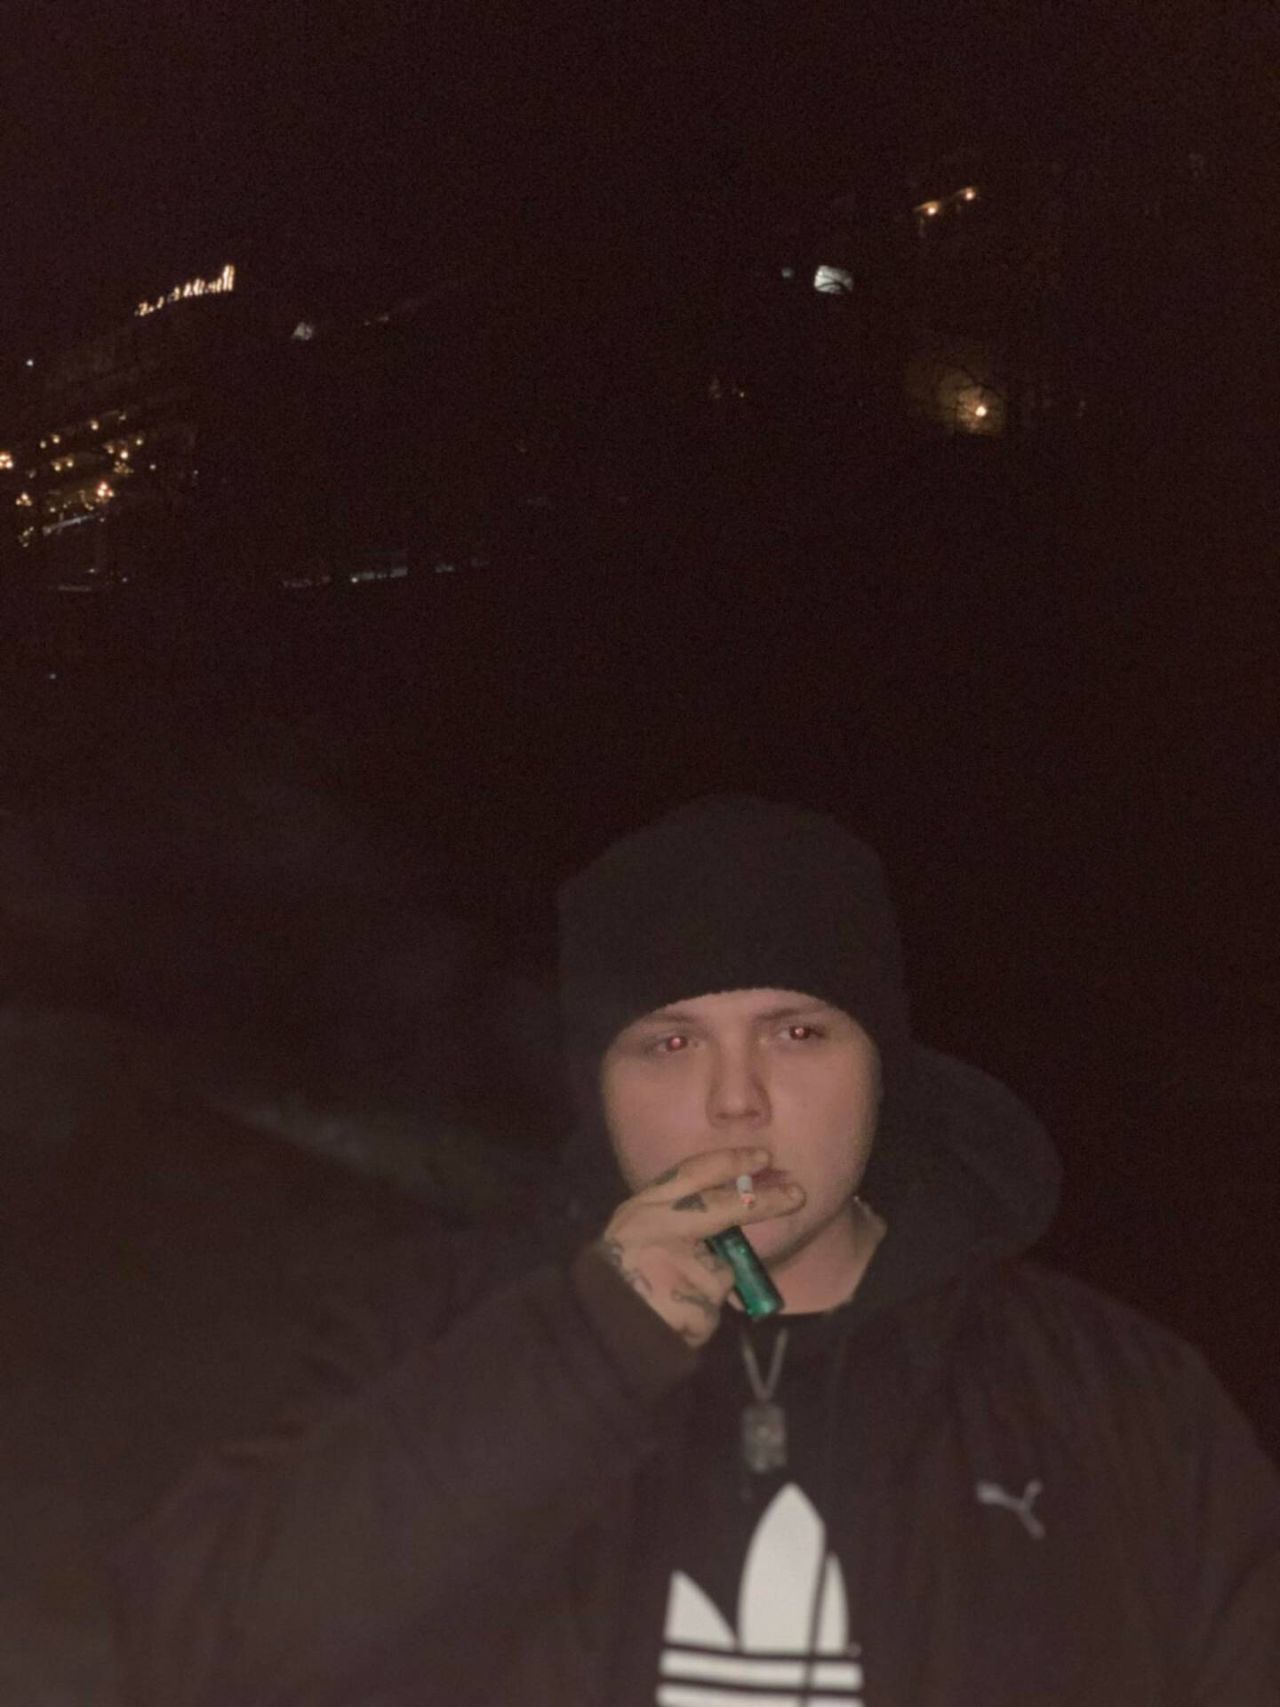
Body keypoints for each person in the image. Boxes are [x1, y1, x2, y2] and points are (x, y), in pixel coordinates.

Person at [111, 793, 1280, 1705]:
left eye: (795, 1032)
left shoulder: (1115, 1399)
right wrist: (579, 1349)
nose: (734, 1101)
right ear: (596, 1088)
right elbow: (198, 1656)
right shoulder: (438, 1330)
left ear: (882, 1069)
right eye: (668, 1044)